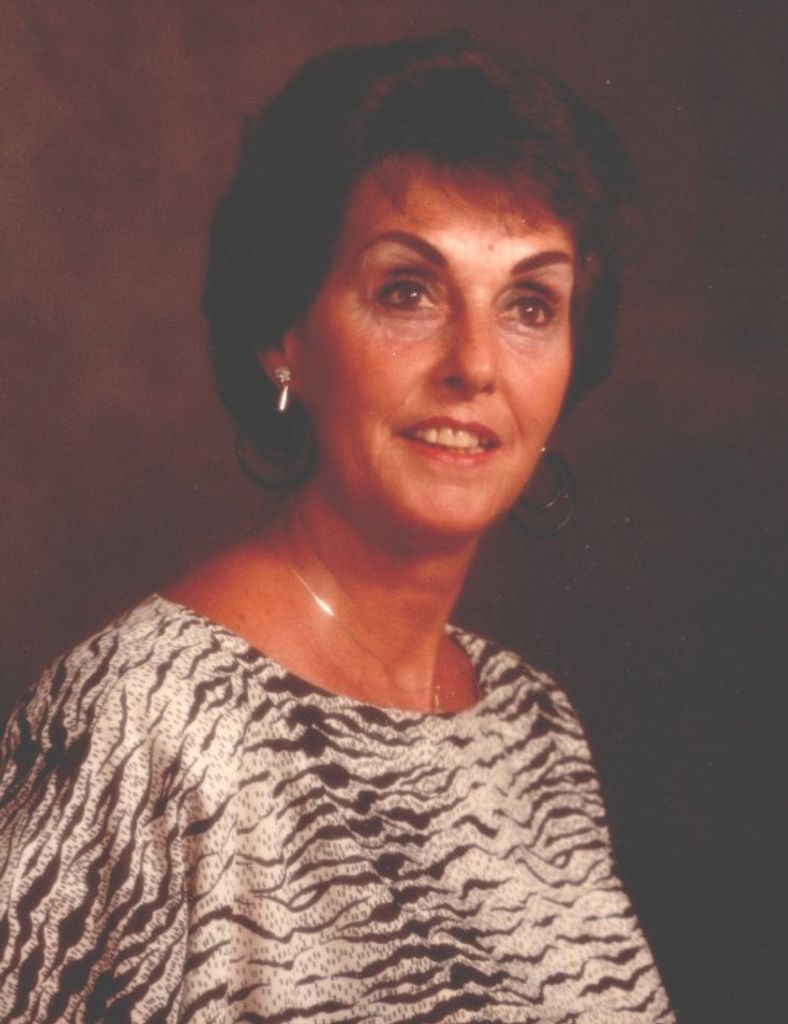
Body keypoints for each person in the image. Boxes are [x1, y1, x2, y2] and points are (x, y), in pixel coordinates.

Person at [0, 34, 675, 1023]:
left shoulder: (534, 726)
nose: (475, 364)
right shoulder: (148, 719)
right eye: (407, 291)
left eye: (530, 304)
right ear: (283, 336)